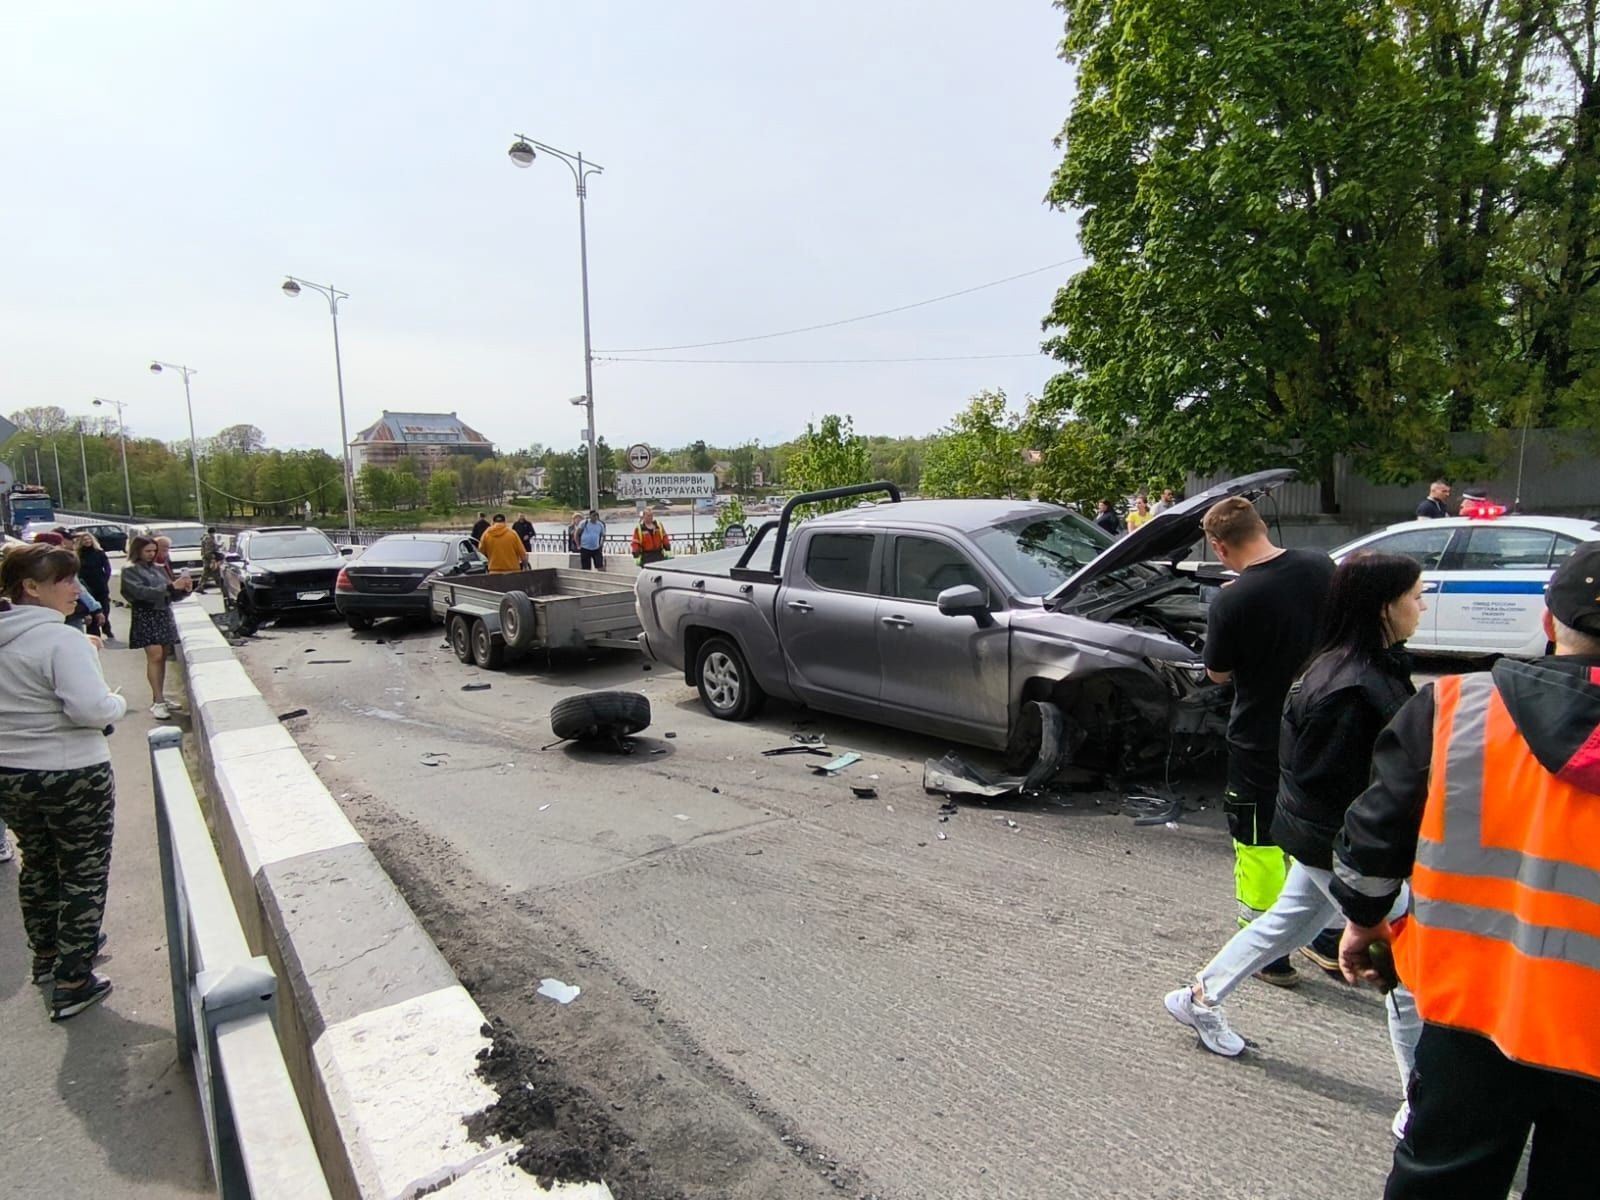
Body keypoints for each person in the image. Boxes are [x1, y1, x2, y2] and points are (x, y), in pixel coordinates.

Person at [1330, 542, 1600, 1199]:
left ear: (1546, 621)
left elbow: (1375, 834)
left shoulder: (1456, 709)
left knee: (1443, 1183)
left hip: (1474, 1009)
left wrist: (1363, 920)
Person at [1166, 553, 1425, 1132]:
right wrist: (1367, 886)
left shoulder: (1361, 666)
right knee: (1404, 973)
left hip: (1324, 847)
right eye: (1416, 595)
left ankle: (1199, 999)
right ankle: (1422, 1101)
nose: (1423, 605)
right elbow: (1338, 794)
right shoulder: (1351, 687)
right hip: (1345, 853)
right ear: (1385, 606)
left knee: (1284, 925)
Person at [1202, 497, 1337, 985]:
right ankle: (1328, 940)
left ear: (1220, 547)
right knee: (1320, 831)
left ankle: (1269, 955)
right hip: (1323, 724)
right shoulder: (1320, 566)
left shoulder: (1232, 601)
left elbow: (1218, 674)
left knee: (1258, 838)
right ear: (1262, 527)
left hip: (1262, 735)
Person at [0, 543, 127, 1019]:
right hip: (72, 772)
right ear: (31, 588)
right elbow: (90, 710)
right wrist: (117, 702)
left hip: (11, 774)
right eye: (64, 580)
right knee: (83, 871)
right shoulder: (61, 640)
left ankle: (48, 958)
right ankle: (75, 979)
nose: (77, 589)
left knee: (38, 864)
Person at [121, 535, 193, 720]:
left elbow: (170, 595)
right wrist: (170, 587)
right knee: (155, 655)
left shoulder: (159, 569)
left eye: (154, 551)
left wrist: (184, 589)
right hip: (146, 615)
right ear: (137, 551)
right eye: (148, 551)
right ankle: (158, 701)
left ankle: (159, 696)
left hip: (162, 614)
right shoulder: (130, 570)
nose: (152, 554)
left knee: (162, 657)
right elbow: (139, 593)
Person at [75, 531, 113, 640]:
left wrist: (105, 579)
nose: (87, 541)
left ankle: (106, 627)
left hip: (100, 583)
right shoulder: (78, 555)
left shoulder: (99, 552)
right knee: (90, 609)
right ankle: (94, 634)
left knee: (105, 608)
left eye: (89, 539)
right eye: (84, 540)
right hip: (86, 585)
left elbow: (107, 568)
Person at [198, 526, 223, 593]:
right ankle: (222, 587)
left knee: (206, 574)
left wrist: (219, 546)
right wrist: (213, 558)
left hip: (207, 558)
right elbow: (208, 550)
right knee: (215, 573)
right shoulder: (209, 539)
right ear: (213, 532)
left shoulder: (206, 538)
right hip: (209, 559)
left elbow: (211, 547)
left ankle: (200, 587)